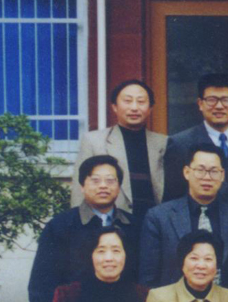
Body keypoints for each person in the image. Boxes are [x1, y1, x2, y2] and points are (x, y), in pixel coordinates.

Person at [29, 155, 142, 302]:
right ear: (82, 186)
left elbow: (142, 278)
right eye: (95, 180)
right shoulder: (60, 227)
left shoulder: (134, 227)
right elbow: (41, 284)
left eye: (110, 180)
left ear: (119, 187)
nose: (103, 186)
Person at [139, 142, 228, 289]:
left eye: (214, 171)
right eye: (200, 170)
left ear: (222, 175)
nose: (207, 177)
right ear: (186, 172)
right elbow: (148, 277)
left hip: (226, 301)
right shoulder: (159, 217)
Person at [71, 80, 166, 214]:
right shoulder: (93, 141)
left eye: (141, 101)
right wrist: (79, 223)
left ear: (150, 108)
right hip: (111, 221)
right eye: (127, 101)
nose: (134, 107)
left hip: (153, 221)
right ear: (114, 107)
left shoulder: (163, 143)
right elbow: (79, 191)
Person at [163, 74, 228, 207]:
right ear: (200, 104)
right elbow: (173, 196)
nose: (219, 106)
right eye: (212, 100)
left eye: (226, 100)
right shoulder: (180, 143)